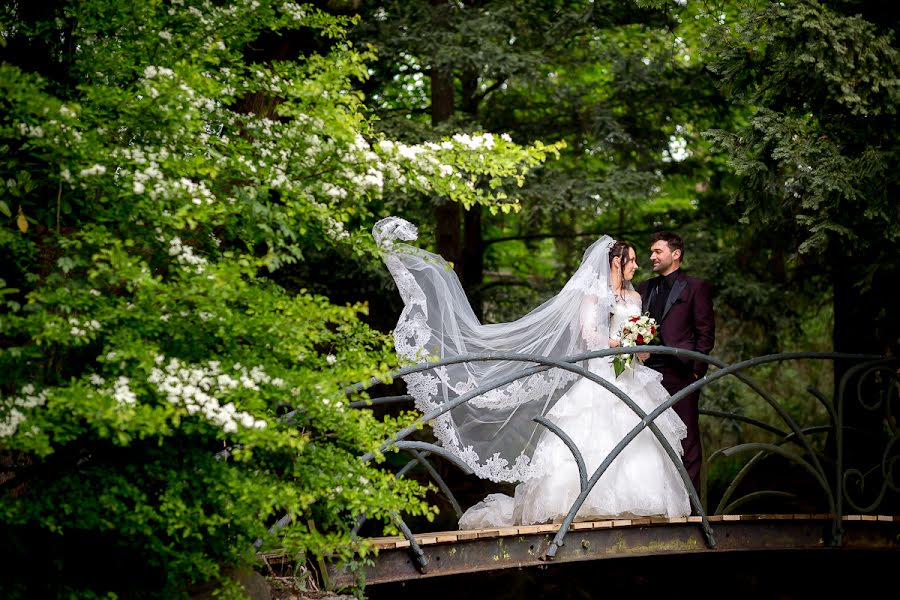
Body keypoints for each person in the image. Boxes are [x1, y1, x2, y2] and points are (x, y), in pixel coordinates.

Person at [373, 217, 690, 528]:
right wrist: (619, 343)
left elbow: (638, 335)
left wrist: (641, 347)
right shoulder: (593, 295)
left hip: (631, 377)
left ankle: (638, 506)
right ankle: (585, 505)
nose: (636, 265)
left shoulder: (635, 297)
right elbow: (588, 333)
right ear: (615, 264)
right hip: (601, 372)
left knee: (639, 432)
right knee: (593, 432)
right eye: (630, 260)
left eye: (636, 259)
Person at [637, 231, 715, 496]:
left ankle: (691, 508)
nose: (652, 257)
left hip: (681, 372)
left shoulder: (696, 287)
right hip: (645, 374)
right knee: (650, 437)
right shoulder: (644, 288)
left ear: (676, 254)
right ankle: (659, 501)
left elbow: (705, 332)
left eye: (657, 251)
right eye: (651, 252)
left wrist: (696, 372)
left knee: (688, 439)